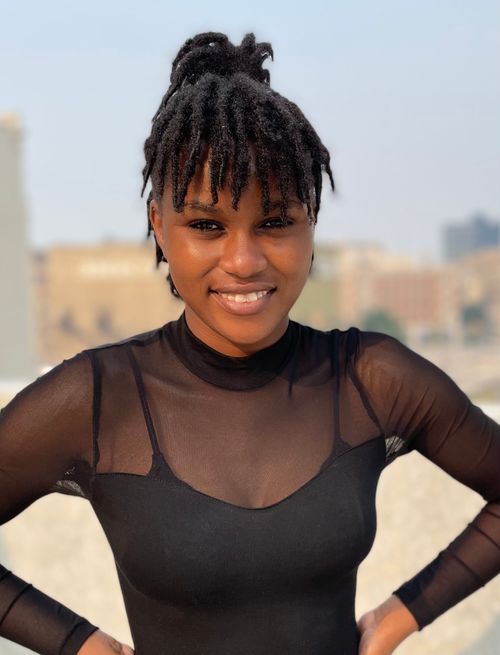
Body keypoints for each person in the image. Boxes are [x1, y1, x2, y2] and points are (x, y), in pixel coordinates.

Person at [0, 31, 499, 655]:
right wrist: (77, 643)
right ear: (159, 225)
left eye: (275, 222)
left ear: (311, 224)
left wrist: (403, 614)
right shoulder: (101, 398)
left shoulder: (371, 377)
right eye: (207, 225)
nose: (243, 261)